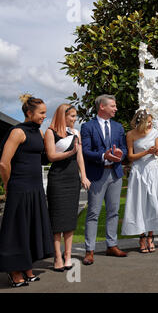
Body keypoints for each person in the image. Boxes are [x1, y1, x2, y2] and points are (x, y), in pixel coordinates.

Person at [0, 94, 54, 287]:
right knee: (17, 230)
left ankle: (27, 268)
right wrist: (8, 184)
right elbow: (4, 163)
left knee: (31, 227)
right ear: (29, 113)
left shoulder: (38, 133)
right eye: (41, 113)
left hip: (36, 187)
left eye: (45, 113)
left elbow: (47, 156)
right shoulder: (17, 132)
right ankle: (14, 271)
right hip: (19, 187)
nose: (43, 117)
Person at [121, 110, 158, 252]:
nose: (150, 123)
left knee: (153, 202)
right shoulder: (131, 135)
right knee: (139, 203)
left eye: (151, 121)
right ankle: (141, 237)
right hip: (138, 171)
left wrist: (156, 151)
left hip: (152, 170)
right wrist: (146, 152)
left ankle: (151, 237)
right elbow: (130, 156)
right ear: (141, 122)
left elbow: (157, 151)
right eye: (148, 121)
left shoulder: (154, 133)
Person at [81, 94, 128, 265]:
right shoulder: (87, 127)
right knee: (93, 212)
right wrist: (103, 155)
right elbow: (85, 151)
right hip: (97, 175)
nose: (116, 109)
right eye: (113, 106)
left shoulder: (118, 127)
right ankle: (89, 250)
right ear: (102, 106)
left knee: (113, 211)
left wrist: (121, 154)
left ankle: (112, 245)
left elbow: (124, 148)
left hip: (115, 174)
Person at [44, 104, 91, 271]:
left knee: (70, 220)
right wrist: (68, 153)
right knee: (57, 221)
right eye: (71, 116)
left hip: (72, 179)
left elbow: (80, 157)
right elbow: (51, 156)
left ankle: (68, 255)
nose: (74, 119)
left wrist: (83, 176)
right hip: (57, 179)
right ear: (62, 116)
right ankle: (57, 257)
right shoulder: (50, 132)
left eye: (75, 116)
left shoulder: (75, 133)